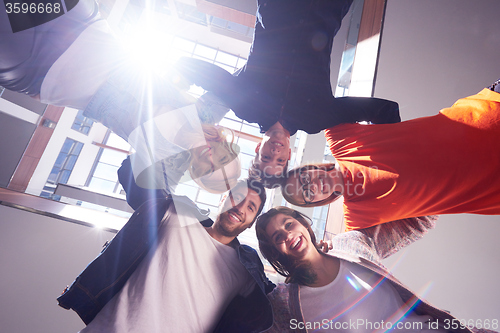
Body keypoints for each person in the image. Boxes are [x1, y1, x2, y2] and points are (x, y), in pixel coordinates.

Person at [0, 0, 240, 194]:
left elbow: (136, 187)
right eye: (221, 158)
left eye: (209, 170)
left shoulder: (163, 163)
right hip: (80, 26)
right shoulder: (204, 113)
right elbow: (237, 86)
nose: (210, 160)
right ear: (223, 145)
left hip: (41, 75)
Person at [175, 0, 401, 184]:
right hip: (328, 7)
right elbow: (384, 110)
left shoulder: (245, 106)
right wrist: (390, 158)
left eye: (266, 157)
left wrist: (179, 90)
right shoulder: (317, 120)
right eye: (280, 160)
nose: (275, 151)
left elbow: (195, 69)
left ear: (257, 148)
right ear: (290, 156)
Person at [58, 178, 275, 332]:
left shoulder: (246, 270)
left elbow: (279, 306)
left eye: (251, 207)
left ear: (251, 223)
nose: (240, 207)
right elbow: (133, 172)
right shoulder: (176, 214)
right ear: (222, 200)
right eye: (237, 197)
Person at [281, 81, 500, 231]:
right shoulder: (356, 217)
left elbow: (384, 108)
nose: (313, 184)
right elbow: (350, 257)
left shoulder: (340, 138)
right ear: (317, 202)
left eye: (304, 178)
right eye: (308, 193)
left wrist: (396, 140)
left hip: (489, 113)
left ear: (308, 168)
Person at [255, 207, 497, 333]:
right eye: (278, 236)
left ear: (305, 224)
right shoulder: (285, 303)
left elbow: (417, 222)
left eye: (290, 224)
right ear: (275, 251)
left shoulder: (348, 245)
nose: (288, 234)